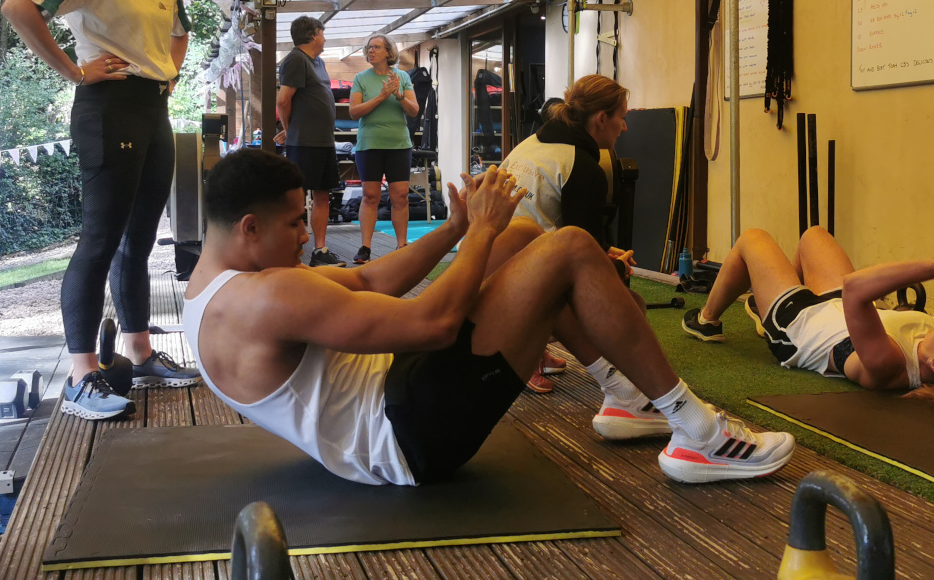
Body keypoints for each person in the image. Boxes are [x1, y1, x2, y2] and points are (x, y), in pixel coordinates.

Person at [184, 149, 796, 486]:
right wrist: (477, 231)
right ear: (250, 228)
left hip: (402, 396)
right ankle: (700, 434)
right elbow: (433, 325)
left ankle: (624, 396)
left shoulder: (221, 289)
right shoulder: (265, 299)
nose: (304, 234)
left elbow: (371, 279)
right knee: (571, 248)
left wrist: (457, 230)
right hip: (408, 439)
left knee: (523, 236)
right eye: (296, 224)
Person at [2, 0, 200, 421]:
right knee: (99, 240)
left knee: (140, 239)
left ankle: (138, 353)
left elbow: (179, 34)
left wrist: (169, 70)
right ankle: (82, 374)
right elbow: (18, 5)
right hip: (107, 107)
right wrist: (74, 71)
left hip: (152, 108)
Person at [683, 226, 934, 409]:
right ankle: (765, 301)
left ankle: (707, 319)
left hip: (799, 323)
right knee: (813, 236)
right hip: (840, 309)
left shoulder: (890, 366)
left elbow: (855, 288)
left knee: (753, 239)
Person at [499, 75, 638, 393]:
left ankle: (535, 346)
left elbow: (573, 234)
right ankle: (521, 352)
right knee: (631, 302)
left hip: (487, 265)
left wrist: (605, 252)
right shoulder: (584, 168)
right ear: (602, 119)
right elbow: (585, 259)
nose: (625, 128)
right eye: (622, 118)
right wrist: (616, 266)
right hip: (511, 285)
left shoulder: (534, 142)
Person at [274, 15, 345, 267]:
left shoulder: (319, 62)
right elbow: (283, 100)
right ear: (313, 34)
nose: (325, 38)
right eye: (322, 32)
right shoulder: (295, 59)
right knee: (296, 197)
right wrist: (289, 129)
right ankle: (289, 251)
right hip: (303, 142)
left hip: (323, 141)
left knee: (323, 194)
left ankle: (320, 251)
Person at [349, 35, 419, 265]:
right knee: (371, 196)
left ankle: (402, 246)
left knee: (400, 197)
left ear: (389, 52)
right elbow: (354, 112)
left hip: (399, 145)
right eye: (369, 47)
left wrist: (398, 95)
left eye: (377, 47)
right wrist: (381, 97)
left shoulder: (402, 77)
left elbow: (414, 111)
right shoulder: (360, 78)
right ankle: (365, 248)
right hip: (369, 145)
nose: (371, 51)